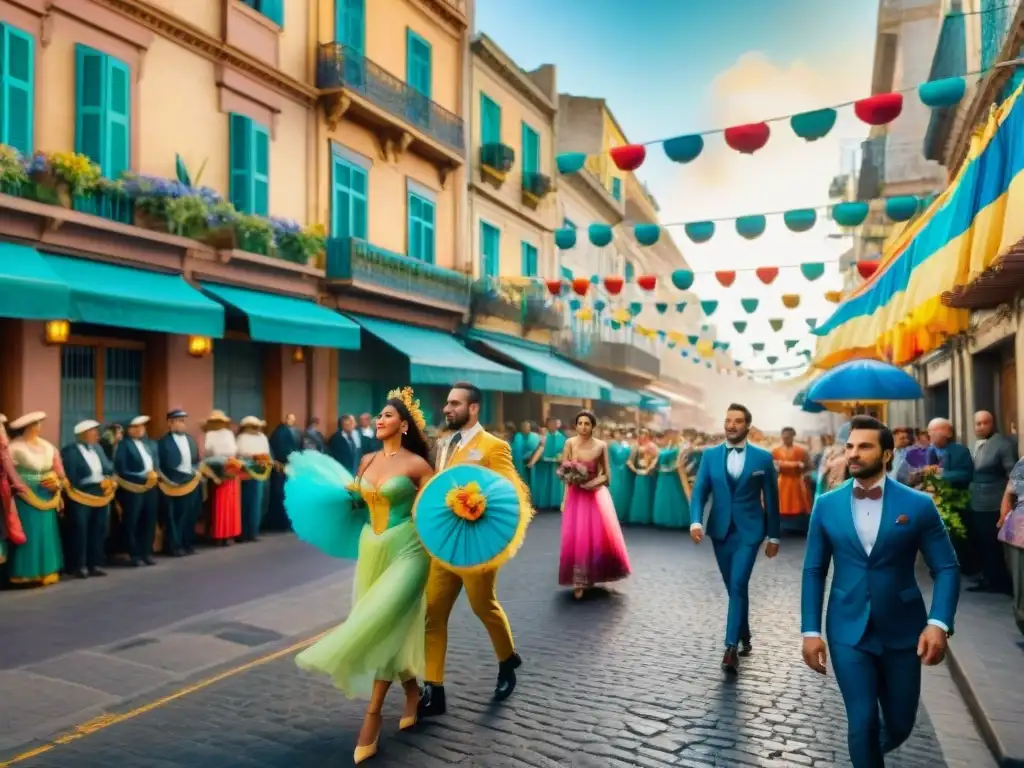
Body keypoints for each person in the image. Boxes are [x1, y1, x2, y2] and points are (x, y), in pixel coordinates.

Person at [801, 415, 959, 768]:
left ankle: (868, 753)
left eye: (864, 446)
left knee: (901, 723)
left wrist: (939, 622)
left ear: (887, 454)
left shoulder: (918, 505)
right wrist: (810, 630)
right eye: (850, 447)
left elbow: (946, 567)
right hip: (846, 628)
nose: (854, 454)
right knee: (862, 721)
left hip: (903, 629)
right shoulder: (826, 505)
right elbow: (814, 570)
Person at [288, 387, 433, 764]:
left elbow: (436, 513)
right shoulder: (366, 461)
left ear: (403, 425)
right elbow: (359, 502)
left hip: (410, 550)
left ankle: (372, 714)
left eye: (387, 415)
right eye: (378, 415)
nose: (379, 420)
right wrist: (343, 497)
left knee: (380, 618)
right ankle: (413, 690)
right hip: (372, 548)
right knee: (383, 624)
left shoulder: (418, 465)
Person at [418, 382, 529, 719]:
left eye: (454, 403)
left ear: (474, 408)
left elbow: (511, 492)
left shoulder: (494, 446)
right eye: (447, 404)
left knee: (483, 606)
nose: (447, 409)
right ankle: (433, 689)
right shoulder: (443, 444)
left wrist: (479, 502)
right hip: (443, 544)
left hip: (478, 544)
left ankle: (507, 660)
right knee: (433, 614)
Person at [690, 403, 780, 673]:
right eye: (727, 420)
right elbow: (700, 492)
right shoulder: (709, 456)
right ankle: (745, 633)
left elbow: (772, 501)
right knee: (734, 587)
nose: (731, 425)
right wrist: (696, 520)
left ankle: (730, 648)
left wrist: (774, 536)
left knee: (739, 582)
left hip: (750, 531)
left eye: (737, 421)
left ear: (747, 426)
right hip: (720, 530)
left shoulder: (763, 458)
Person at [558, 410, 631, 598]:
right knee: (576, 537)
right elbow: (565, 473)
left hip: (595, 495)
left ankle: (593, 574)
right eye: (580, 423)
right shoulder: (569, 443)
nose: (583, 427)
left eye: (587, 424)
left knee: (594, 536)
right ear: (575, 425)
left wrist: (592, 484)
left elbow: (607, 476)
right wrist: (564, 499)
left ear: (592, 426)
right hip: (575, 495)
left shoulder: (601, 446)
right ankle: (578, 581)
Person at [6, 412, 66, 586]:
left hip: (47, 494)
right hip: (25, 495)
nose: (37, 428)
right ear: (25, 427)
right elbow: (8, 472)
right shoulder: (14, 448)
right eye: (33, 425)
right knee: (29, 531)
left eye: (38, 424)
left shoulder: (48, 447)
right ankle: (25, 572)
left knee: (46, 532)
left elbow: (59, 471)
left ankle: (47, 569)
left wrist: (56, 481)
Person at [61, 419, 115, 578]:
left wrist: (109, 479)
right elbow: (70, 475)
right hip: (81, 494)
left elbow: (107, 467)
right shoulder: (70, 451)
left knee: (99, 529)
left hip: (100, 492)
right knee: (80, 530)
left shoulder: (98, 448)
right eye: (93, 431)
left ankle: (95, 563)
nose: (97, 434)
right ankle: (80, 565)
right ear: (83, 434)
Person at [969, 410, 1015, 594]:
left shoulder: (1002, 444)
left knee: (992, 544)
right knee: (982, 542)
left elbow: (1012, 473)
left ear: (993, 423)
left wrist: (1008, 500)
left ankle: (999, 581)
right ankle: (988, 577)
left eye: (985, 423)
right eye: (978, 423)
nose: (980, 427)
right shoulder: (976, 444)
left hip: (994, 501)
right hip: (977, 500)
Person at [114, 415, 160, 567]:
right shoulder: (124, 445)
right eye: (136, 427)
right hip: (133, 487)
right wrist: (141, 475)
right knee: (132, 520)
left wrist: (154, 474)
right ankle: (133, 554)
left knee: (149, 520)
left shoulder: (149, 444)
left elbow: (155, 463)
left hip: (151, 486)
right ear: (129, 430)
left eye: (142, 426)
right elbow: (122, 469)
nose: (140, 429)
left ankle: (146, 552)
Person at [156, 409, 202, 557]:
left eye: (183, 421)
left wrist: (195, 471)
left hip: (191, 481)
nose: (183, 424)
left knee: (189, 515)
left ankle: (186, 543)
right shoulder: (163, 442)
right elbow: (161, 464)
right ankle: (173, 546)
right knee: (174, 516)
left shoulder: (190, 439)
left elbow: (197, 459)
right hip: (172, 484)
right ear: (170, 423)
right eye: (179, 421)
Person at [203, 410, 242, 545]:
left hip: (231, 469)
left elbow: (234, 450)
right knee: (219, 505)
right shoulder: (209, 435)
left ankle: (229, 533)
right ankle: (219, 534)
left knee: (231, 505)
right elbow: (208, 453)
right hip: (218, 471)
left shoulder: (229, 434)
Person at [237, 416, 272, 542]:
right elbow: (240, 454)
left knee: (257, 502)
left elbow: (266, 453)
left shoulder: (262, 438)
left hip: (260, 471)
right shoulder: (242, 438)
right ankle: (244, 532)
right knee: (246, 503)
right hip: (246, 472)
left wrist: (263, 460)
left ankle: (254, 530)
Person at [267, 413, 300, 530]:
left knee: (285, 494)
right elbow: (283, 450)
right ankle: (280, 523)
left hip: (287, 467)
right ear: (285, 419)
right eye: (290, 419)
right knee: (281, 495)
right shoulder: (281, 432)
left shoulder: (290, 431)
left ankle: (284, 522)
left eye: (293, 419)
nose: (292, 421)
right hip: (282, 467)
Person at [772, 427, 811, 526]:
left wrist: (805, 474)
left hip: (796, 481)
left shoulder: (801, 451)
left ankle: (799, 526)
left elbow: (809, 466)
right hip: (782, 481)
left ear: (793, 437)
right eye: (784, 437)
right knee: (780, 504)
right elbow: (771, 466)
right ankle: (781, 526)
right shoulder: (775, 451)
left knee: (798, 505)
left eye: (788, 437)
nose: (786, 439)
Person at [652, 428, 689, 529]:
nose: (669, 435)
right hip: (663, 476)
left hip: (673, 475)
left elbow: (680, 462)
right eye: (667, 433)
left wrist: (670, 468)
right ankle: (663, 518)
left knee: (675, 496)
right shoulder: (667, 445)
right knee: (663, 496)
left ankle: (677, 519)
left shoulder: (681, 446)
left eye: (671, 433)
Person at [529, 416, 565, 511]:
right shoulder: (542, 436)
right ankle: (541, 503)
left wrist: (561, 458)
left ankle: (555, 503)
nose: (553, 425)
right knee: (542, 483)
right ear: (547, 424)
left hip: (555, 464)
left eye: (555, 423)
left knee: (555, 484)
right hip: (542, 463)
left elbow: (564, 450)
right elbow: (536, 449)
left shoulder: (561, 437)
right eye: (551, 423)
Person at [625, 429, 658, 525]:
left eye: (645, 434)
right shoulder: (635, 446)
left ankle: (649, 517)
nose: (643, 436)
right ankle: (639, 517)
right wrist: (636, 470)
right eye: (641, 434)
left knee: (649, 494)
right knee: (639, 494)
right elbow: (629, 461)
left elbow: (656, 458)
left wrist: (650, 469)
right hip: (639, 473)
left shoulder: (653, 446)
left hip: (649, 474)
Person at [608, 428, 634, 522]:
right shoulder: (612, 445)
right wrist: (628, 449)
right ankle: (614, 514)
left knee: (625, 491)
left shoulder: (624, 444)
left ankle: (624, 513)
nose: (620, 435)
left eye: (622, 433)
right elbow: (619, 456)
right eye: (618, 433)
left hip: (625, 471)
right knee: (616, 491)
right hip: (616, 471)